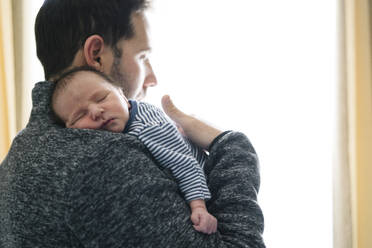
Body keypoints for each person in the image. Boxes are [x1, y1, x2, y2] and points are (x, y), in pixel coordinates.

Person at [0, 0, 265, 247]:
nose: (152, 78)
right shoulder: (103, 160)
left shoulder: (20, 151)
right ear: (96, 55)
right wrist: (231, 147)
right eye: (141, 57)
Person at [51, 66, 217, 234]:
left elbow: (184, 165)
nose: (96, 112)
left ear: (123, 95)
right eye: (80, 115)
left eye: (101, 98)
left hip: (205, 188)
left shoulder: (148, 129)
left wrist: (199, 206)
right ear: (69, 130)